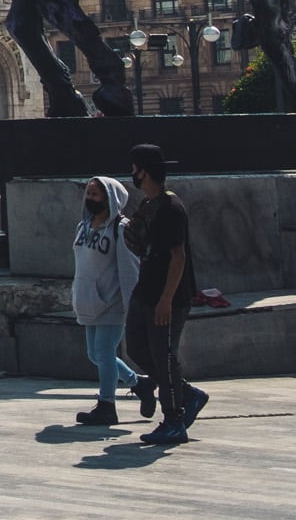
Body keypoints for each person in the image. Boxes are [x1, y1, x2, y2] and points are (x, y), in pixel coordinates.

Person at [121, 143, 209, 446]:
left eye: (135, 167)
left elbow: (178, 256)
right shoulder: (149, 204)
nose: (132, 173)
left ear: (145, 171)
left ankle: (173, 420)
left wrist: (166, 301)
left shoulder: (171, 208)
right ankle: (187, 393)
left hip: (166, 295)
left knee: (164, 356)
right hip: (145, 288)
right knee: (136, 347)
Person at [70, 174, 144, 427]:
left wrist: (132, 305)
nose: (90, 198)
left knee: (104, 352)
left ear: (109, 198)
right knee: (95, 355)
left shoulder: (121, 229)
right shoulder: (84, 226)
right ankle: (139, 383)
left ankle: (107, 405)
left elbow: (129, 269)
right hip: (89, 301)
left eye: (96, 194)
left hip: (112, 302)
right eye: (88, 194)